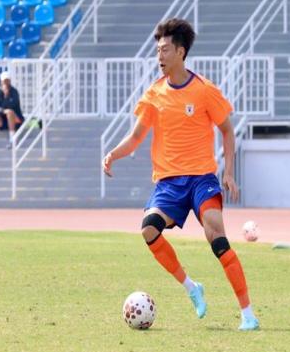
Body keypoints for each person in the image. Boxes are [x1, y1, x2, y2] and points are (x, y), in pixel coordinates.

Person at [102, 18, 259, 331]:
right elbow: (136, 137)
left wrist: (229, 172)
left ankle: (248, 314)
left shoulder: (204, 91)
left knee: (217, 237)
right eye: (157, 50)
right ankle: (192, 287)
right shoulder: (154, 94)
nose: (159, 56)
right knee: (149, 229)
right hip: (169, 183)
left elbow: (227, 130)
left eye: (165, 50)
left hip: (202, 179)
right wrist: (113, 155)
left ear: (181, 52)